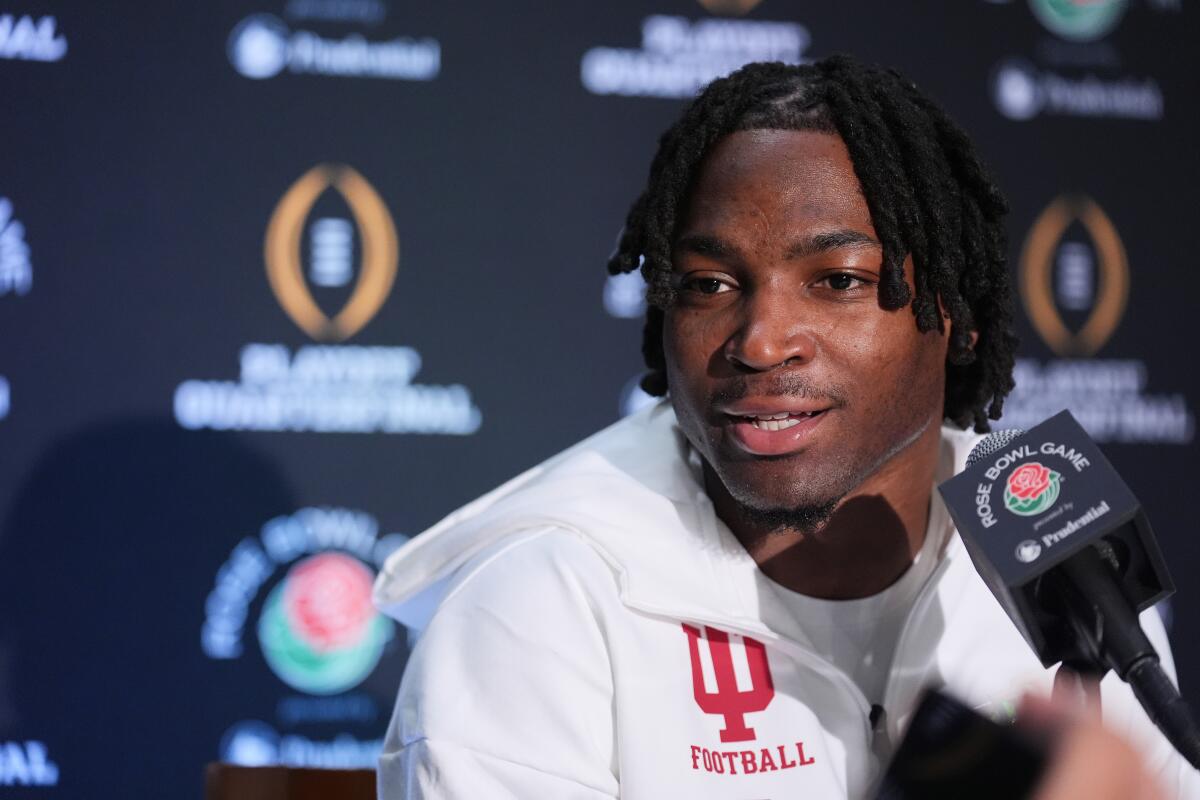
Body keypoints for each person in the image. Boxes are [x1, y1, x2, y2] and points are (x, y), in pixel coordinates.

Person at [373, 56, 1196, 798]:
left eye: (836, 279)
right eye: (707, 284)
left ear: (960, 319)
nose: (760, 339)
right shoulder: (538, 602)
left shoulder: (1055, 555)